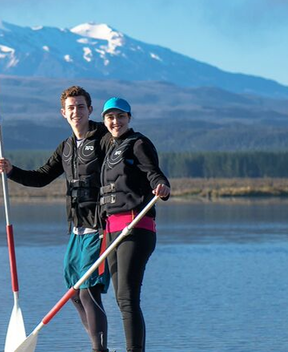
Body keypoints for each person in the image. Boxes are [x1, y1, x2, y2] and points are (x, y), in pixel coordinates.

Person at [0, 85, 112, 352]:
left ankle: (99, 350)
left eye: (81, 107)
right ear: (63, 113)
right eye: (71, 108)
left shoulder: (104, 138)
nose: (76, 112)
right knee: (74, 292)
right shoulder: (67, 147)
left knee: (87, 290)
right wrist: (12, 171)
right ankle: (98, 346)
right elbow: (41, 177)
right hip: (76, 229)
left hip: (101, 227)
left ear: (90, 110)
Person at [97, 97, 170, 352]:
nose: (115, 122)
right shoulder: (108, 147)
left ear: (129, 118)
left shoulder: (138, 143)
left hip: (135, 228)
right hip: (113, 231)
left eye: (120, 117)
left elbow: (153, 172)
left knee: (128, 298)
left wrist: (162, 186)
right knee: (120, 298)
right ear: (104, 120)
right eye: (110, 117)